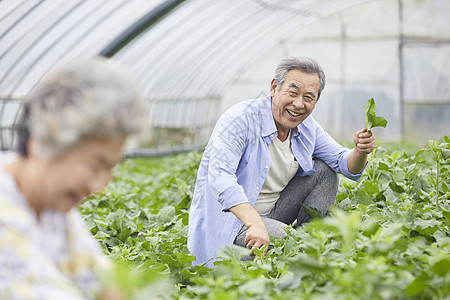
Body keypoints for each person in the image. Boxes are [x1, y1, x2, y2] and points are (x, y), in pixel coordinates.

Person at [187, 56, 375, 267]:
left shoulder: (306, 127)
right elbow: (221, 178)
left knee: (324, 171)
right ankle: (286, 250)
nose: (298, 104)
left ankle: (303, 240)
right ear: (274, 87)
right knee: (298, 247)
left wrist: (360, 151)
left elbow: (344, 163)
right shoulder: (240, 120)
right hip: (234, 222)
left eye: (308, 97)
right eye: (293, 93)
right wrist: (255, 223)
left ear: (316, 101)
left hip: (274, 214)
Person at [0, 57, 147, 299]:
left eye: (110, 167)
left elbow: (103, 282)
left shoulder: (50, 205)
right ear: (45, 142)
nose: (98, 187)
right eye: (94, 165)